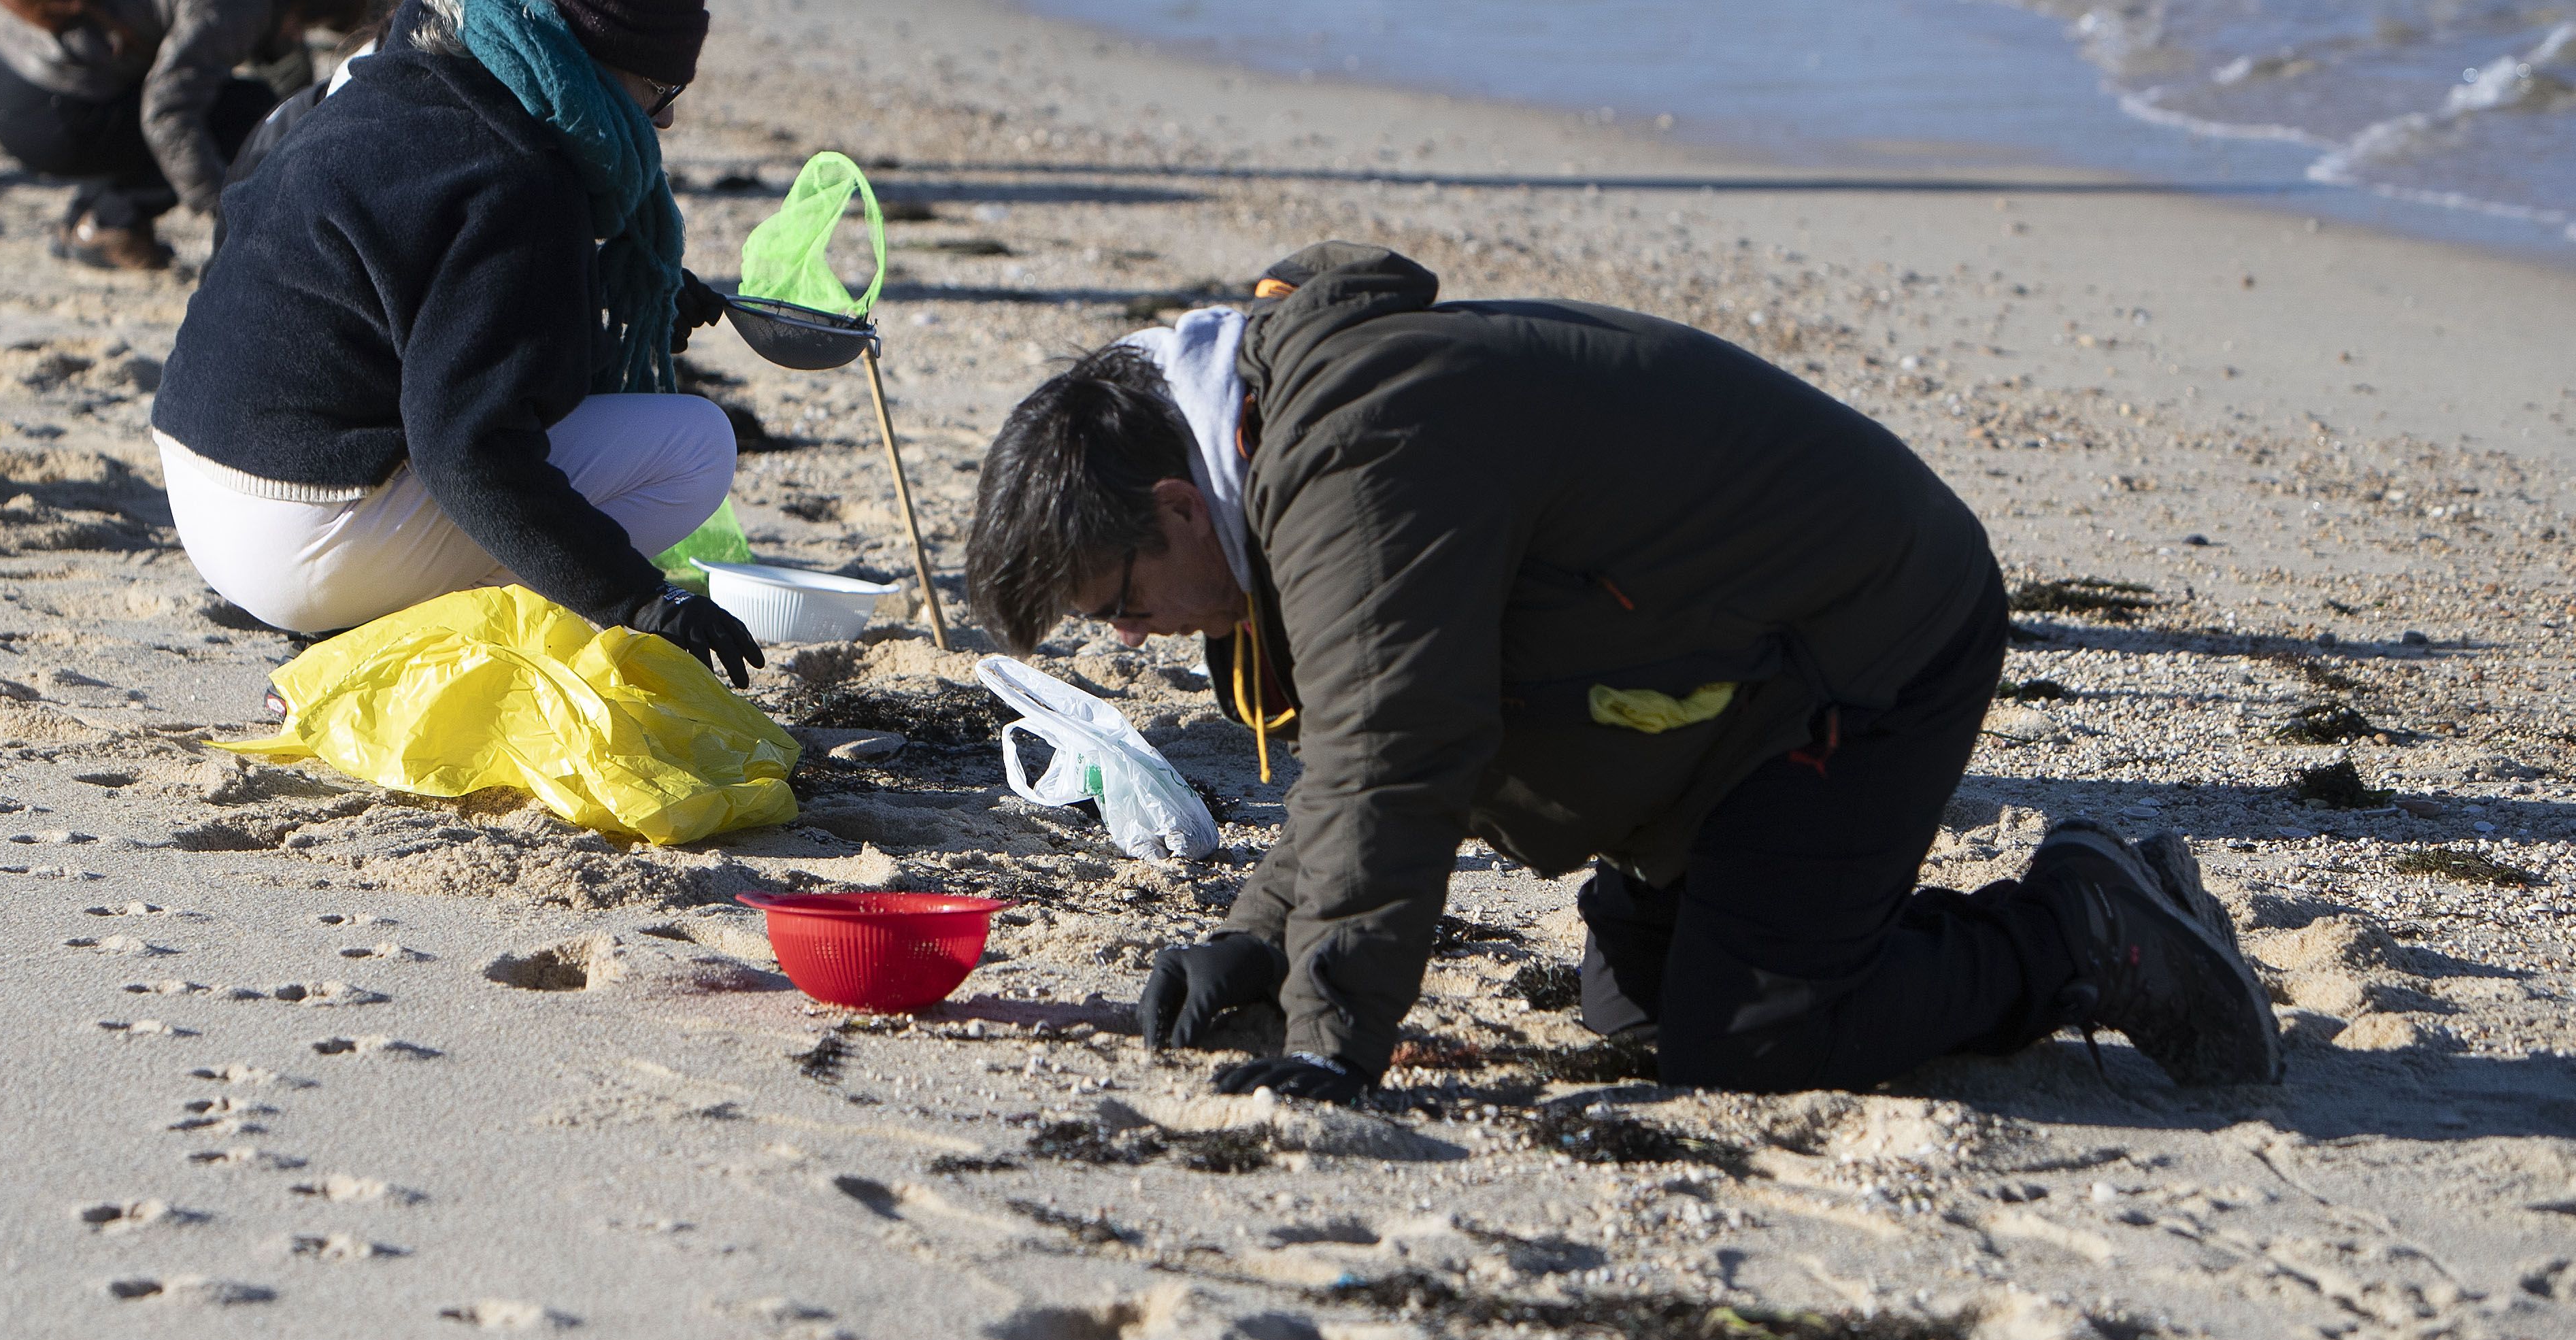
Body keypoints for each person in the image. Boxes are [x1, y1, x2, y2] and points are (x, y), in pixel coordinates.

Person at [964, 244, 2284, 1104]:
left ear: (1174, 506)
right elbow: (1367, 737)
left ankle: (2080, 929)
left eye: (1119, 604)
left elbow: (1398, 752)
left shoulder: (1351, 453)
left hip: (1871, 641)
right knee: (1633, 1005)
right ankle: (1837, 913)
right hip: (1730, 676)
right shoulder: (1277, 437)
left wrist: (1327, 1041)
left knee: (1755, 1039)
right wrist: (1253, 943)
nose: (1133, 639)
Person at [146, 0, 758, 688]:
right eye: (661, 91)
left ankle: (381, 605)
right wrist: (637, 599)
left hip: (198, 470)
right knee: (695, 447)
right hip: (293, 533)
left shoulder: (418, 61)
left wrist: (611, 289)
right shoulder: (524, 179)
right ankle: (401, 630)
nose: (666, 122)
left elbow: (413, 275)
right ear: (609, 67)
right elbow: (467, 446)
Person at [0, 0, 375, 271]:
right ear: (303, 2)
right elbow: (168, 113)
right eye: (304, 26)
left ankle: (90, 214)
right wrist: (228, 212)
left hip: (9, 75)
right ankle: (111, 223)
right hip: (49, 115)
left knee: (210, 96)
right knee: (248, 115)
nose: (294, 37)